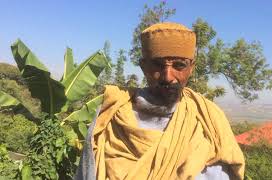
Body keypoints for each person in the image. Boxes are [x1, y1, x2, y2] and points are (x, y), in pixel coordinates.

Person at [75, 22, 245, 180]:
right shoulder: (111, 116)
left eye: (179, 65)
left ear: (191, 68)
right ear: (143, 66)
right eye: (157, 65)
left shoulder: (209, 119)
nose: (167, 77)